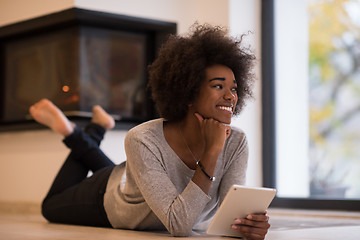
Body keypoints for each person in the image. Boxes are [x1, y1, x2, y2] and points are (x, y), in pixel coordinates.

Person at [30, 23, 270, 240]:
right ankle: (79, 132)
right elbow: (180, 225)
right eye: (218, 86)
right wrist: (213, 150)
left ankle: (96, 128)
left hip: (133, 179)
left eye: (234, 88)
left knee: (123, 172)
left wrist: (248, 225)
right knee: (49, 207)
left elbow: (230, 217)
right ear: (188, 93)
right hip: (110, 199)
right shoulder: (143, 138)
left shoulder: (237, 141)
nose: (231, 96)